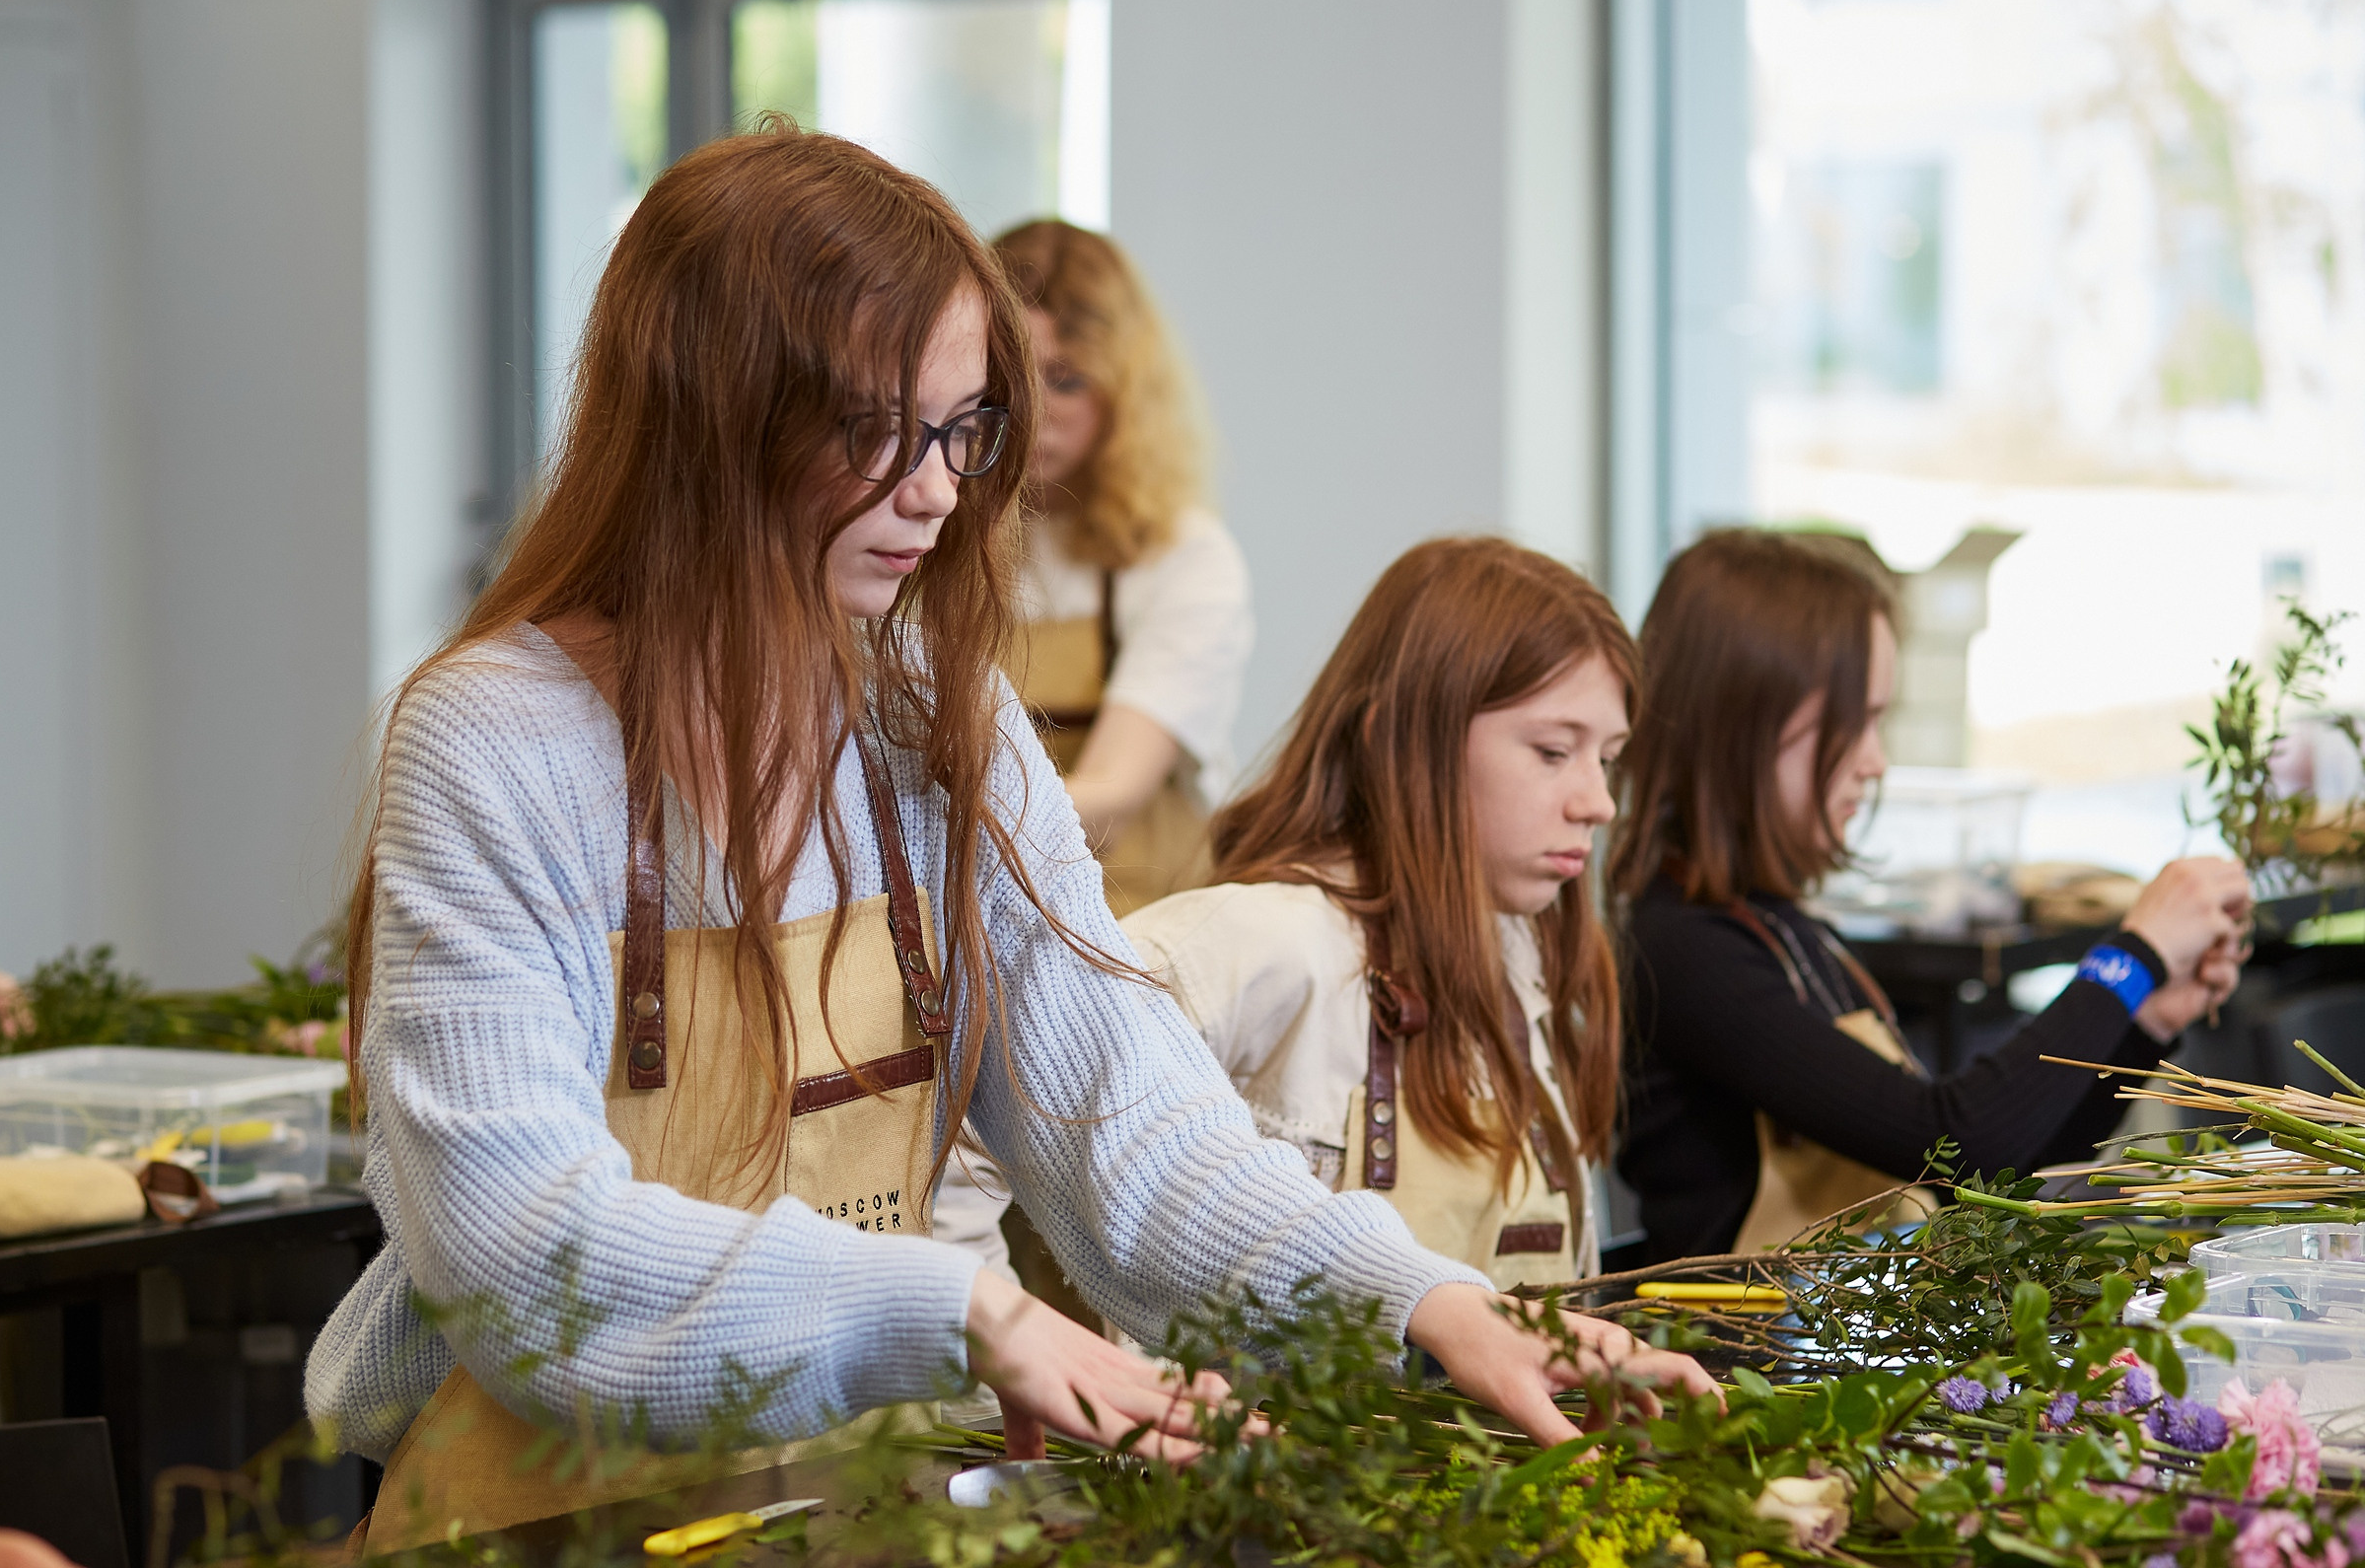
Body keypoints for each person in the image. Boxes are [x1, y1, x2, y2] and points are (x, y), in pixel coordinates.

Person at [303, 125, 1710, 1551]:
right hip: (539, 1525)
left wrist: (1426, 1306)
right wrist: (962, 1308)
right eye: (874, 431)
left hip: (849, 1509)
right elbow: (519, 1256)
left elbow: (1138, 1127)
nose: (934, 491)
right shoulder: (495, 739)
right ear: (711, 416)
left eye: (961, 430)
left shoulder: (937, 718)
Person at [1612, 529, 2252, 1263]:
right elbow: (1958, 1141)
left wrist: (2140, 1025)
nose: (1875, 761)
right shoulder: (1685, 950)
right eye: (1850, 723)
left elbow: (1988, 1184)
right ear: (1743, 724)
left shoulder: (1790, 931)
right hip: (1739, 1365)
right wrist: (2129, 959)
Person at [1121, 538, 1628, 1291]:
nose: (1599, 802)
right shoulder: (1271, 942)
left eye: (1608, 757)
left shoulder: (1525, 962)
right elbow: (980, 1114)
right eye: (1554, 751)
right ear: (1402, 742)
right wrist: (1000, 1349)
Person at [990, 220, 1250, 916]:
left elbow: (1110, 794)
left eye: (1067, 380)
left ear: (1124, 390)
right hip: (980, 921)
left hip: (1142, 926)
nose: (1034, 411)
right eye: (1008, 377)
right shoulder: (923, 544)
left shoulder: (1183, 556)